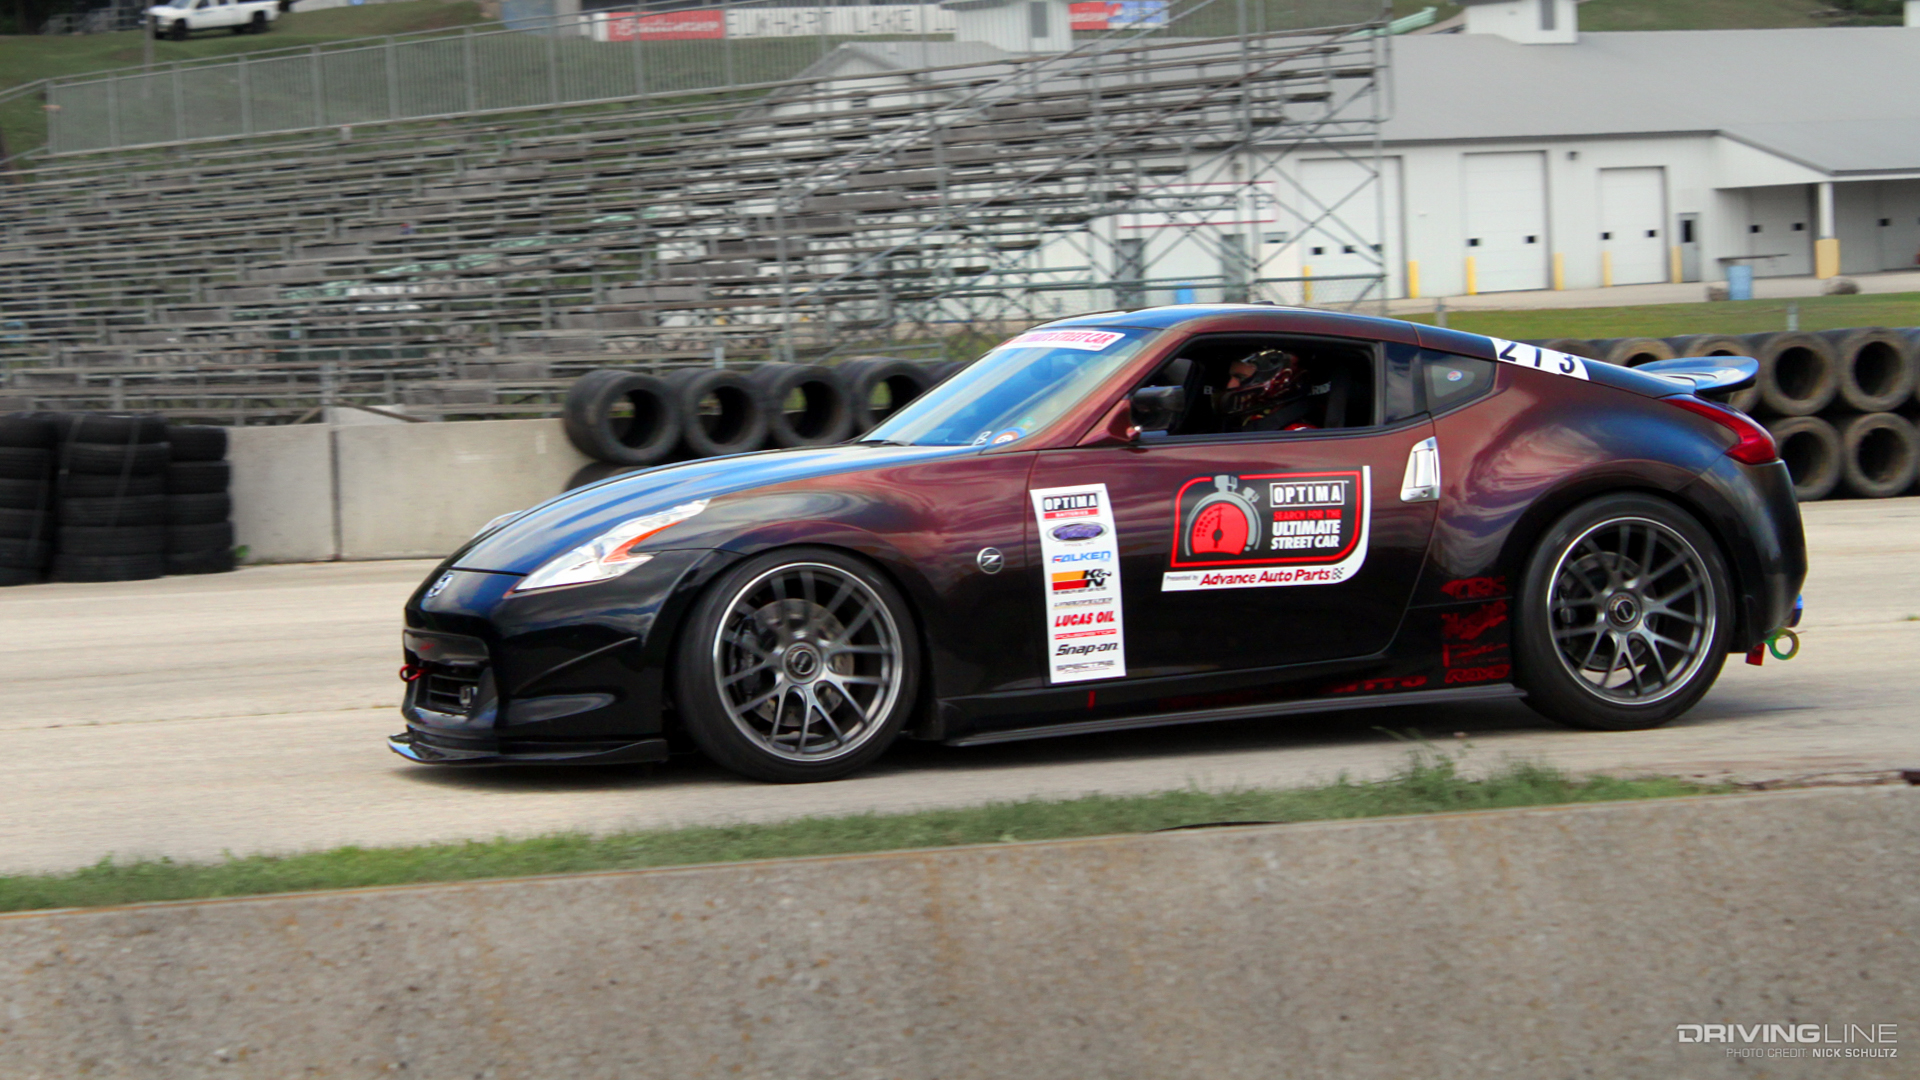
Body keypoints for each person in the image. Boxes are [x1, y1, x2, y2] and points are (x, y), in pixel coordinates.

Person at [1220, 348, 1322, 432]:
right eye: (1231, 378)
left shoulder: (1296, 433)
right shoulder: (1250, 421)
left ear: (1281, 379)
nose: (1230, 386)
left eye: (1241, 377)